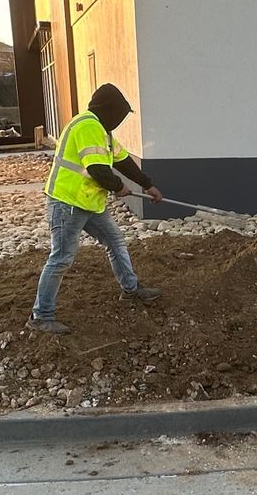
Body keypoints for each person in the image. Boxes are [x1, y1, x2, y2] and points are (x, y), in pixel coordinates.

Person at [29, 83, 162, 335]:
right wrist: (118, 187)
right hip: (67, 202)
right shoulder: (88, 125)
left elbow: (122, 161)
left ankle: (131, 290)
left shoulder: (103, 132)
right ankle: (41, 316)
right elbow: (98, 170)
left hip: (88, 202)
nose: (120, 121)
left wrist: (148, 185)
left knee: (115, 241)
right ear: (109, 110)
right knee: (61, 258)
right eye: (119, 115)